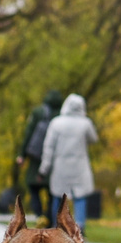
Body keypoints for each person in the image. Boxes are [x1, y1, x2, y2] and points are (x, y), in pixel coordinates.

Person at [39, 93, 98, 231]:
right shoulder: (86, 123)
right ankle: (80, 225)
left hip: (61, 166)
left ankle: (57, 225)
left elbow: (48, 147)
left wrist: (44, 168)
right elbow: (94, 139)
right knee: (80, 195)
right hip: (80, 166)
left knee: (58, 196)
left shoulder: (56, 123)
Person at [11, 94, 59, 222]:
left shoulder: (38, 112)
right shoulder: (62, 115)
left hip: (35, 157)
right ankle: (49, 217)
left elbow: (29, 133)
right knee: (52, 191)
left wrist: (22, 155)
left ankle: (39, 215)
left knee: (33, 187)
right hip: (55, 160)